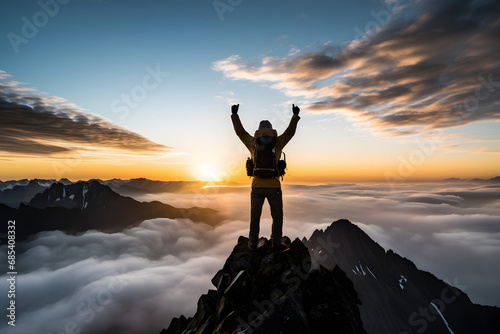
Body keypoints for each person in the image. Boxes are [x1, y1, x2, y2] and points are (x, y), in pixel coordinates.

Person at [231, 103, 300, 251]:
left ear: (259, 130)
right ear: (271, 129)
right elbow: (290, 132)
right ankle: (276, 244)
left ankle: (252, 244)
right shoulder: (278, 142)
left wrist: (235, 115)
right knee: (277, 217)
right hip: (274, 187)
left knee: (255, 217)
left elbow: (240, 132)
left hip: (257, 187)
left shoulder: (253, 143)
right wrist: (295, 116)